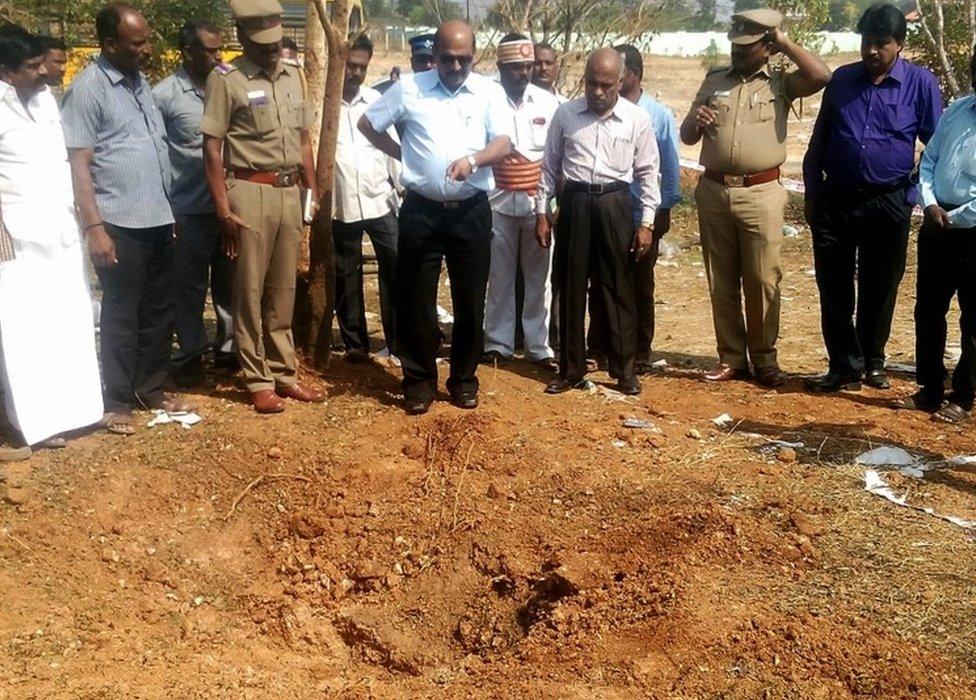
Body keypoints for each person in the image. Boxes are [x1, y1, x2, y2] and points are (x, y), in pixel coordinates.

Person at [359, 20, 513, 415]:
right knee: (416, 299)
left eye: (464, 59)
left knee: (469, 300)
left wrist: (474, 160)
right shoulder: (409, 88)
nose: (456, 67)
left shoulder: (488, 92)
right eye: (448, 59)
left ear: (474, 55)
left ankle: (463, 379)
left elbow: (503, 143)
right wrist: (402, 155)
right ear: (435, 56)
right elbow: (367, 123)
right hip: (421, 212)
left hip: (470, 213)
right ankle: (419, 381)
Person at [681, 9, 831, 387]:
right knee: (722, 280)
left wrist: (783, 41)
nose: (737, 53)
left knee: (763, 279)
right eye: (734, 45)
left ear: (766, 49)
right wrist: (694, 121)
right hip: (714, 190)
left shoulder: (781, 83)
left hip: (761, 193)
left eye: (747, 47)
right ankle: (731, 357)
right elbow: (686, 137)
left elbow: (821, 75)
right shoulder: (715, 79)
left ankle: (765, 359)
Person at [62, 3, 189, 436]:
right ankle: (116, 400)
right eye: (137, 43)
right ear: (109, 43)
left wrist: (167, 212)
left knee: (159, 309)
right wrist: (94, 228)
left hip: (156, 218)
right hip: (117, 223)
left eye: (147, 40)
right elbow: (80, 163)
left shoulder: (140, 84)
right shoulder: (88, 89)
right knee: (121, 312)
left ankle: (150, 388)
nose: (147, 49)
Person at [803, 2, 941, 393]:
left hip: (889, 202)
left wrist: (912, 194)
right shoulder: (843, 81)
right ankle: (843, 364)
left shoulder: (921, 84)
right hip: (837, 201)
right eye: (866, 42)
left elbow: (936, 147)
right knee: (834, 286)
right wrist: (813, 197)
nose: (871, 51)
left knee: (881, 287)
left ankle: (872, 362)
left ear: (899, 44)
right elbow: (818, 144)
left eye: (881, 44)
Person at [201, 0, 323, 414]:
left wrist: (312, 187)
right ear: (243, 35)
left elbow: (304, 136)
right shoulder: (226, 79)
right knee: (249, 288)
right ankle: (257, 379)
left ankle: (283, 373)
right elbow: (212, 148)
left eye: (276, 42)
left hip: (290, 192)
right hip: (248, 191)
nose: (272, 50)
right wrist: (222, 208)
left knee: (283, 287)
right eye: (263, 43)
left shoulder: (294, 75)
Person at [0, 26, 103, 457]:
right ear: (5, 70)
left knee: (64, 322)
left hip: (58, 229)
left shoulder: (43, 99)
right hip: (16, 238)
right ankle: (27, 424)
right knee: (21, 331)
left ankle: (69, 412)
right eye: (31, 67)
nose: (43, 71)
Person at [537, 48, 661, 396]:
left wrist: (646, 223)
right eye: (592, 83)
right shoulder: (565, 115)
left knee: (616, 288)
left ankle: (624, 370)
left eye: (607, 85)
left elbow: (649, 173)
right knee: (571, 286)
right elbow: (548, 168)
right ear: (585, 79)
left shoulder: (637, 120)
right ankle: (571, 369)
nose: (598, 92)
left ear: (620, 82)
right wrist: (541, 213)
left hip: (614, 203)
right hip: (574, 203)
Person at [587, 44, 681, 375]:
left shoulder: (658, 115)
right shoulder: (597, 110)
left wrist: (658, 215)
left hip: (643, 213)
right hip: (605, 212)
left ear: (633, 75)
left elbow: (668, 169)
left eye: (617, 72)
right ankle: (598, 348)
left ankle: (639, 350)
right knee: (600, 281)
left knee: (639, 283)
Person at [154, 21, 235, 388]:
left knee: (231, 281)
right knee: (188, 286)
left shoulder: (230, 83)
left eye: (221, 49)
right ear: (188, 52)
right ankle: (189, 355)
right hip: (188, 210)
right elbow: (156, 155)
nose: (219, 56)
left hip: (230, 208)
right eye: (211, 50)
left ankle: (230, 350)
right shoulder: (165, 96)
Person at [902, 50, 976, 423]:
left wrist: (957, 217)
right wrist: (929, 203)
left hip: (972, 229)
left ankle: (963, 396)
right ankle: (930, 389)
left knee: (973, 320)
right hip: (936, 224)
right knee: (928, 310)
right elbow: (928, 160)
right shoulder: (958, 110)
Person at [482, 34, 561, 371]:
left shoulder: (549, 104)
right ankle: (497, 343)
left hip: (537, 205)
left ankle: (538, 346)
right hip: (495, 202)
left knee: (538, 278)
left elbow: (556, 157)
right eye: (516, 67)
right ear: (501, 67)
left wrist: (552, 206)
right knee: (498, 277)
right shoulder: (485, 100)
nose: (524, 73)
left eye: (527, 66)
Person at [333, 33, 400, 363]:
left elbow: (393, 148)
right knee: (345, 272)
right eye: (350, 65)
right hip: (341, 201)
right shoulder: (323, 104)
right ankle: (355, 344)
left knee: (396, 266)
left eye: (361, 67)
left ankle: (398, 341)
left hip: (379, 198)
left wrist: (404, 187)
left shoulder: (377, 101)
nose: (355, 73)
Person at [38, 35, 67, 101]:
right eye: (58, 62)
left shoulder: (48, 98)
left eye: (64, 63)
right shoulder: (20, 96)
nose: (63, 69)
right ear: (40, 61)